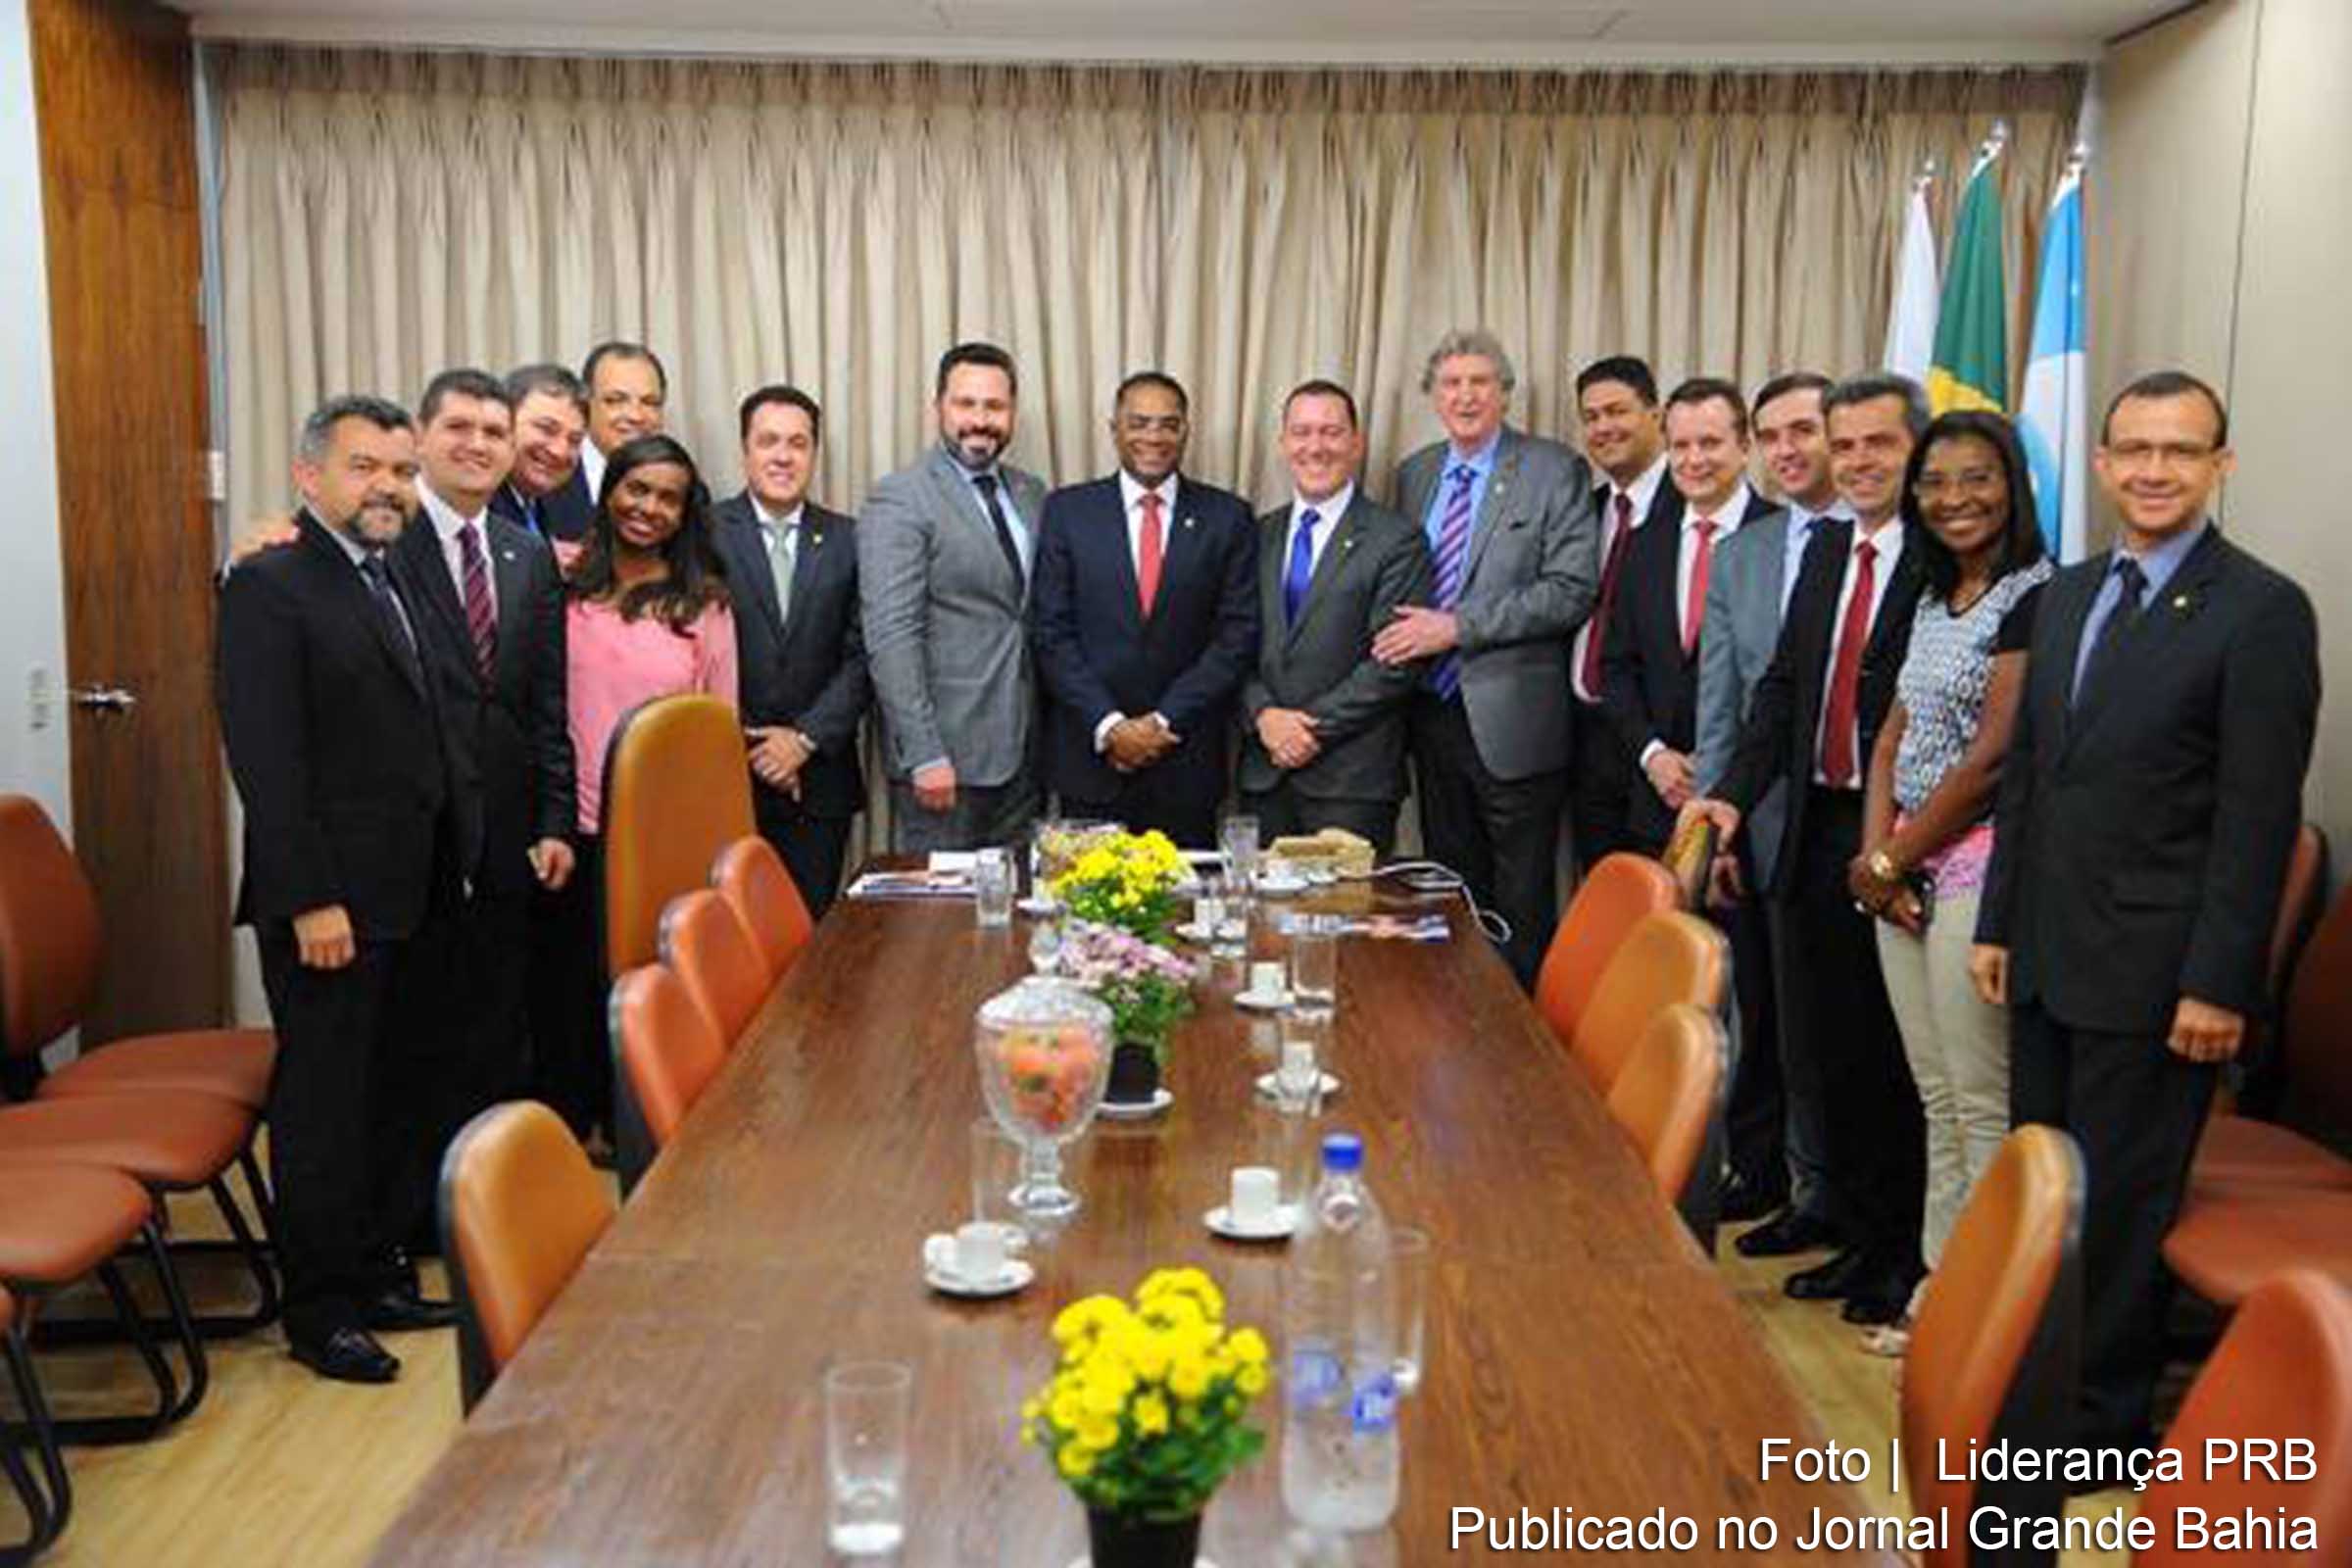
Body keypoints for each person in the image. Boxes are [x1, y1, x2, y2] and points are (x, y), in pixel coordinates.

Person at [1972, 370, 2319, 1459]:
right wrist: (1995, 920)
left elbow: (2257, 819)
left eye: (2181, 451)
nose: (2154, 470)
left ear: (2220, 464)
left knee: (2119, 1208)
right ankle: (2037, 1386)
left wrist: (2220, 983)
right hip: (2043, 952)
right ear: (2105, 460)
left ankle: (2102, 1425)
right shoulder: (2068, 592)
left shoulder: (2262, 611)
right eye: (2135, 450)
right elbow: (2029, 775)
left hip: (2158, 971)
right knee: (2049, 1193)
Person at [1682, 373, 1932, 1328]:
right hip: (1813, 826)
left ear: (1913, 452)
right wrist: (1729, 800)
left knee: (1892, 1058)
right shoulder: (1828, 551)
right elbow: (1781, 692)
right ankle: (1859, 1236)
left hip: (1902, 837)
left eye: (1880, 445)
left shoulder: (1937, 560)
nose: (1859, 460)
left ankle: (1901, 1256)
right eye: (1848, 443)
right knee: (1828, 1050)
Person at [216, 396, 457, 1384]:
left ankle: (370, 1273)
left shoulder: (388, 573)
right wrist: (311, 897)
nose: (388, 487)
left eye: (400, 470)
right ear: (310, 477)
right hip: (328, 906)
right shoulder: (271, 586)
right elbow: (268, 762)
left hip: (404, 891)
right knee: (321, 1109)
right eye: (366, 468)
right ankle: (319, 1311)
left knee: (387, 1095)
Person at [1848, 410, 2053, 1352]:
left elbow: (1993, 758)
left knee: (1980, 1098)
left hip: (1975, 866)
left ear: (2012, 485)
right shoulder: (1937, 593)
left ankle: (1988, 1310)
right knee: (1933, 1093)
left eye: (1976, 479)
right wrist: (1874, 859)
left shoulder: (2035, 595)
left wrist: (1896, 857)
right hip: (1900, 871)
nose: (1953, 498)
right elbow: (1891, 733)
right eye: (1935, 483)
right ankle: (1940, 1290)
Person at [388, 368, 576, 1251]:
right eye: (458, 427)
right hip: (414, 836)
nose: (478, 445)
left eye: (494, 433)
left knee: (496, 1025)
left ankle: (483, 1220)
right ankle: (410, 1225)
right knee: (415, 1035)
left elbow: (545, 704)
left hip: (507, 831)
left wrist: (551, 821)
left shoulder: (523, 552)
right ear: (421, 436)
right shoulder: (385, 541)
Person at [1381, 330, 1597, 988]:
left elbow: (1570, 590)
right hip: (1432, 714)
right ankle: (1462, 1028)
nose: (1466, 395)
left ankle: (1526, 1042)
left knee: (1522, 898)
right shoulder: (1413, 473)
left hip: (1515, 722)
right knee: (1453, 889)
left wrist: (1459, 627)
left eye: (1481, 382)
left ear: (1505, 392)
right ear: (1433, 397)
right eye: (1451, 384)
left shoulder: (1553, 468)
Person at [539, 433, 738, 1148]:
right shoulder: (558, 578)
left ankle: (647, 1133)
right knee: (569, 994)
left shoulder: (704, 605)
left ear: (685, 513)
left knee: (648, 997)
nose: (647, 508)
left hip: (662, 839)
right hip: (572, 830)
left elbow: (718, 730)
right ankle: (571, 1144)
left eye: (667, 498)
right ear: (609, 489)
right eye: (636, 489)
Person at [1693, 371, 1843, 1246]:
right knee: (1757, 1005)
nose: (1789, 450)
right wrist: (1714, 817)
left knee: (1829, 1027)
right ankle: (1765, 1173)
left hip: (1846, 824)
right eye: (1773, 434)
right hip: (1755, 815)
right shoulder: (1747, 551)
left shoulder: (1887, 543)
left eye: (1806, 431)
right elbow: (1722, 700)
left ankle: (1825, 1192)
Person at [1030, 371, 1257, 848]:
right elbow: (1050, 632)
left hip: (1185, 763)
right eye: (1139, 422)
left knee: (1183, 918)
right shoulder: (1068, 511)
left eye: (1167, 424)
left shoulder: (1227, 517)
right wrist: (1111, 727)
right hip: (1089, 764)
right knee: (1086, 917)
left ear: (1185, 431)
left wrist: (1161, 723)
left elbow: (1235, 638)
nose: (1153, 437)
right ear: (1113, 428)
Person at [859, 341, 1049, 853]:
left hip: (1025, 752)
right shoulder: (901, 497)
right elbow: (892, 635)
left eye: (995, 406)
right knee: (938, 924)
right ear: (938, 408)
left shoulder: (1032, 493)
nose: (980, 420)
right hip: (945, 762)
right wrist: (923, 753)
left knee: (1014, 915)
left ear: (1012, 413)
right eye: (966, 404)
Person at [1238, 380, 1432, 857]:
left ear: (1356, 443)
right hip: (1264, 774)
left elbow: (1394, 662)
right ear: (1283, 442)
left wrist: (1308, 728)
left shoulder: (1397, 539)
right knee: (1263, 928)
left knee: (1348, 928)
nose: (1315, 447)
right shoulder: (1257, 533)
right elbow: (1232, 642)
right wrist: (1262, 715)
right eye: (1301, 432)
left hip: (1352, 781)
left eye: (1330, 432)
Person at [710, 385, 868, 916]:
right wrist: (753, 741)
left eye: (797, 443)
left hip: (819, 780)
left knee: (809, 942)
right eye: (768, 441)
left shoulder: (851, 538)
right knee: (729, 944)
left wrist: (803, 739)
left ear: (814, 453)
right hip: (728, 776)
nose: (783, 456)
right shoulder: (703, 532)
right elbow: (686, 654)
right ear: (745, 449)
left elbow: (866, 654)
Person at [1600, 375, 1774, 856]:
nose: (1694, 459)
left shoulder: (1785, 540)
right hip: (1656, 801)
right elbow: (1613, 668)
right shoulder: (1640, 543)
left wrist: (1725, 771)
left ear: (1744, 447)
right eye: (1680, 445)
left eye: (1711, 443)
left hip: (1752, 809)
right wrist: (1653, 755)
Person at [1568, 356, 1676, 875]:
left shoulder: (1695, 505)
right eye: (1591, 417)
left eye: (1618, 411)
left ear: (1657, 414)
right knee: (1604, 901)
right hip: (1589, 739)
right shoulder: (1586, 510)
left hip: (1667, 747)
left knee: (1667, 915)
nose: (1604, 427)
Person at [538, 342, 669, 545]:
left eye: (649, 402)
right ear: (586, 404)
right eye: (616, 400)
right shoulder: (545, 475)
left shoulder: (683, 486)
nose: (635, 415)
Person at [491, 363, 592, 561]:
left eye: (574, 440)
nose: (560, 451)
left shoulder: (546, 505)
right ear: (503, 423)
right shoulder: (478, 503)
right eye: (547, 429)